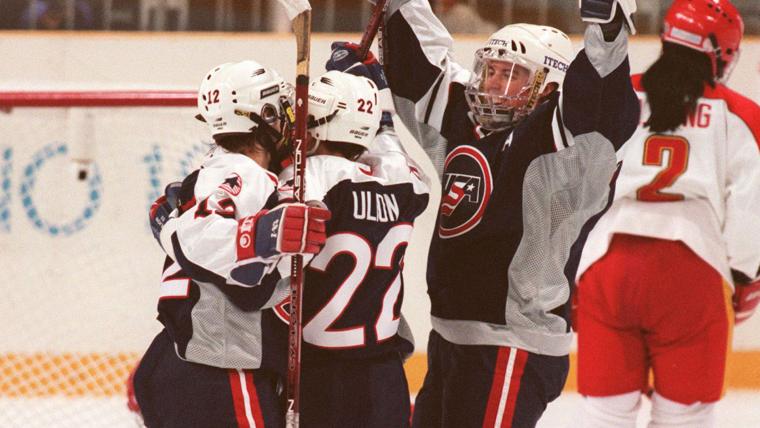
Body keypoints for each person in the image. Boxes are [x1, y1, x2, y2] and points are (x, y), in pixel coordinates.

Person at [328, 0, 639, 426]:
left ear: (549, 87)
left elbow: (600, 104)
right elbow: (423, 72)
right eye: (490, 69)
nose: (492, 84)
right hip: (451, 337)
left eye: (512, 74)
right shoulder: (469, 120)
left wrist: (607, 33)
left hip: (513, 345)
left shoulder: (568, 147)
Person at [573, 0, 760, 426]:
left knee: (604, 416)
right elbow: (752, 209)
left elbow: (577, 181)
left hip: (608, 265)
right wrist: (746, 276)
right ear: (722, 54)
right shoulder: (742, 115)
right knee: (684, 420)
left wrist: (571, 266)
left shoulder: (618, 96)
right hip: (691, 276)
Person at [130, 60, 330, 428]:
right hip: (220, 371)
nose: (289, 116)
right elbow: (204, 237)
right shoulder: (242, 174)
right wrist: (262, 236)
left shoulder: (216, 172)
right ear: (263, 115)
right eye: (281, 107)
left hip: (180, 361)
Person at [272, 70, 430, 427]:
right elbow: (390, 145)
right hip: (385, 373)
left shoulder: (308, 176)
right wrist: (380, 104)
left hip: (322, 374)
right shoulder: (404, 185)